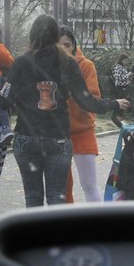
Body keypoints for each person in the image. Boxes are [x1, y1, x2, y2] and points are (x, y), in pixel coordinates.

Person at [8, 15, 128, 209]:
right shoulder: (67, 63)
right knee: (57, 196)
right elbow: (86, 100)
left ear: (32, 35)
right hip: (57, 137)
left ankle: (35, 237)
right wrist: (113, 104)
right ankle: (58, 237)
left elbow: (5, 95)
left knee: (32, 197)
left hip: (27, 135)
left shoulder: (22, 62)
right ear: (56, 36)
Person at [59, 30, 105, 203]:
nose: (63, 49)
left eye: (67, 45)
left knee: (89, 185)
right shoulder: (49, 65)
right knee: (63, 187)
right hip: (58, 133)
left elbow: (92, 97)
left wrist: (72, 95)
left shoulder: (86, 65)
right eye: (59, 45)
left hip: (83, 130)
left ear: (74, 46)